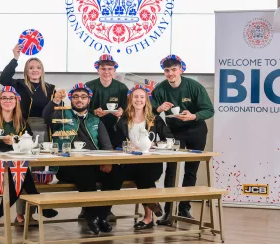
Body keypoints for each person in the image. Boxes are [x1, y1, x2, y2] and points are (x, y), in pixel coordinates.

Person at [42, 83, 123, 235]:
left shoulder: (95, 120)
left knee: (116, 172)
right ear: (71, 99)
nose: (79, 100)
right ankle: (92, 216)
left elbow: (106, 145)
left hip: (93, 165)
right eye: (76, 97)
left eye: (83, 97)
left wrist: (108, 161)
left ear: (89, 100)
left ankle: (102, 215)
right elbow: (46, 116)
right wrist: (55, 101)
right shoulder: (61, 114)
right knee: (86, 172)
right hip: (66, 167)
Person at [0, 86, 57, 226]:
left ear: (16, 101)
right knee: (19, 175)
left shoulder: (22, 123)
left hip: (13, 170)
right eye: (4, 98)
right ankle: (40, 203)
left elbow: (29, 149)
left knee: (18, 174)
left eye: (11, 98)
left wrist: (15, 142)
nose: (7, 101)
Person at [151, 55, 214, 225]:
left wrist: (194, 116)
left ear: (181, 69)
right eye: (166, 70)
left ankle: (184, 208)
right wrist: (158, 108)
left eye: (173, 70)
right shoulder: (160, 89)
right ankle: (169, 211)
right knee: (171, 170)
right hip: (175, 132)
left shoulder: (194, 86)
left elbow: (209, 110)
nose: (170, 73)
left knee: (191, 170)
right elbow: (149, 111)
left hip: (196, 130)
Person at [0, 45, 56, 223]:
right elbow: (3, 78)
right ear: (26, 70)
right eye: (31, 67)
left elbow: (53, 112)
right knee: (23, 171)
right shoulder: (18, 84)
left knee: (37, 173)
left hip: (43, 130)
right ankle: (20, 214)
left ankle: (31, 213)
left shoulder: (50, 87)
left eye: (37, 67)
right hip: (22, 129)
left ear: (42, 70)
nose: (34, 70)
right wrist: (15, 58)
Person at [113, 85, 174, 230]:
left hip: (150, 162)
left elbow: (169, 139)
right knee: (126, 175)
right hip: (129, 163)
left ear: (146, 100)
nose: (138, 100)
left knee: (143, 175)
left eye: (142, 97)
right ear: (130, 100)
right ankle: (151, 209)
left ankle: (148, 218)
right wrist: (126, 146)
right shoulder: (123, 120)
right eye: (135, 97)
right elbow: (115, 141)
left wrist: (155, 144)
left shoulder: (155, 119)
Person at [85, 54, 128, 221]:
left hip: (114, 131)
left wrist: (121, 112)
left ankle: (106, 208)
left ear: (115, 70)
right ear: (98, 69)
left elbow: (128, 109)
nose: (106, 71)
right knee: (91, 169)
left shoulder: (122, 88)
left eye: (110, 68)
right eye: (103, 68)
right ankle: (87, 208)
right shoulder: (89, 86)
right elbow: (80, 107)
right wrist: (93, 112)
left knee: (113, 170)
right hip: (92, 132)